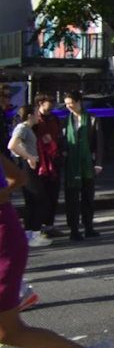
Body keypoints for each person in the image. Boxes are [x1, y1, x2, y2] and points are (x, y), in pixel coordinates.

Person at [0, 153, 114, 348]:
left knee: (8, 331)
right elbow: (17, 177)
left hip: (2, 242)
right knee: (8, 332)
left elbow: (14, 180)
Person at [61, 91, 103, 242]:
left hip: (87, 163)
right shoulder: (65, 120)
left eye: (71, 102)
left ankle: (88, 226)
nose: (69, 106)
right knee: (72, 197)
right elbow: (62, 140)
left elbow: (98, 143)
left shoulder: (92, 119)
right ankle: (73, 228)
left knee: (88, 196)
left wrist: (98, 163)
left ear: (79, 102)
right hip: (72, 163)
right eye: (66, 104)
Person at [7, 106, 51, 247]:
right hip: (26, 166)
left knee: (32, 200)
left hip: (28, 165)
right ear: (30, 115)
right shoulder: (23, 127)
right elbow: (12, 145)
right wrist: (30, 157)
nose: (39, 117)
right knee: (40, 198)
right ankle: (34, 233)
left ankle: (29, 233)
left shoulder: (27, 129)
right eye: (37, 114)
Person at [32, 93, 62, 237]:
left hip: (54, 159)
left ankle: (49, 226)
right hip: (39, 161)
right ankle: (38, 227)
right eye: (50, 101)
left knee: (53, 193)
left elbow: (60, 137)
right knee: (40, 195)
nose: (53, 103)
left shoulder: (55, 119)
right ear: (41, 103)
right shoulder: (34, 119)